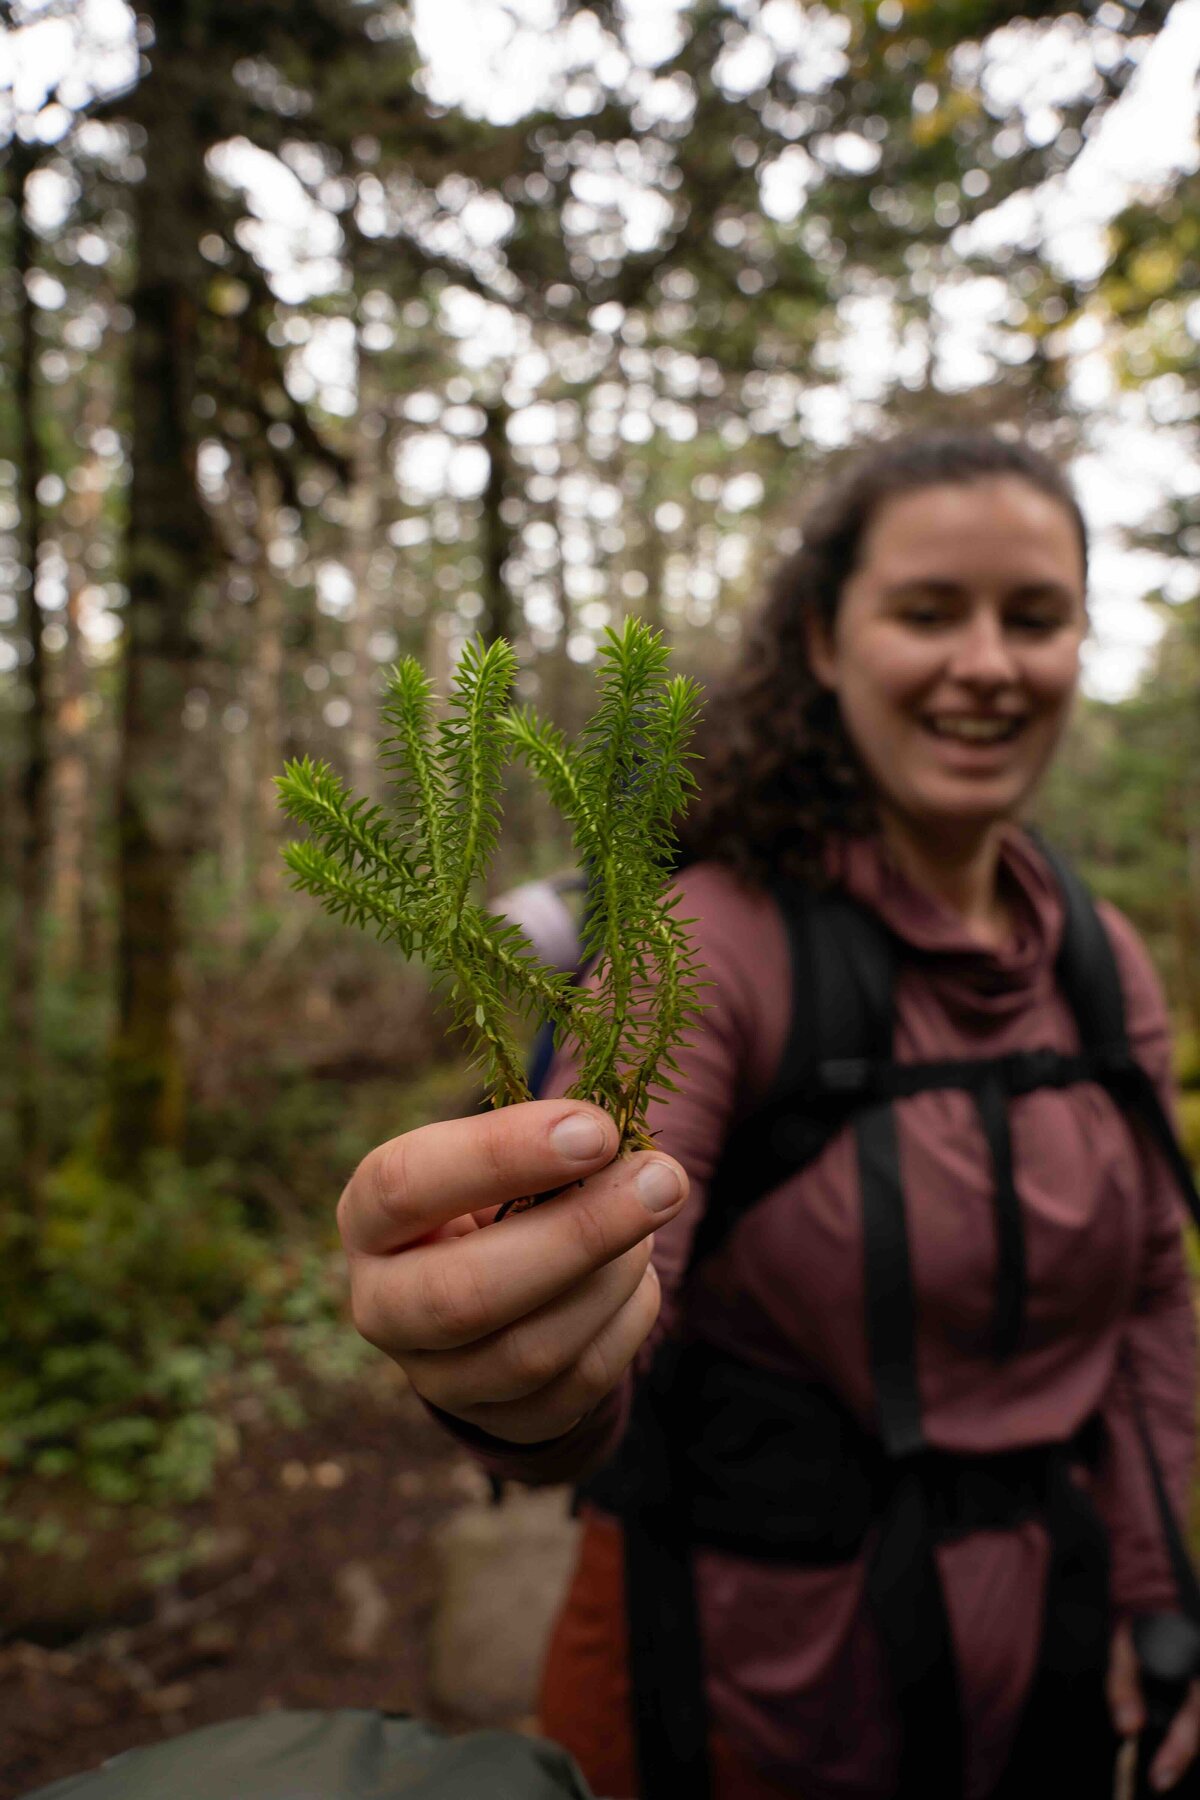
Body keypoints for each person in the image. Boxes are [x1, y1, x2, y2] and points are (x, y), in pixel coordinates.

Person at [335, 428, 1200, 1799]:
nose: (986, 660)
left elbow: (1153, 1292)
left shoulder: (1100, 964)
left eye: (1033, 616)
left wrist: (1166, 1603)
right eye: (928, 611)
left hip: (1047, 1658)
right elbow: (602, 1335)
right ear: (821, 640)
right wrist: (524, 1380)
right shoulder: (704, 947)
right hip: (745, 1685)